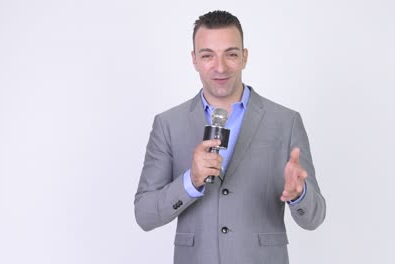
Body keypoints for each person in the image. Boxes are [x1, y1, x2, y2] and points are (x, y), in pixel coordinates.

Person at [134, 10, 326, 264]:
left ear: (244, 57)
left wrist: (300, 193)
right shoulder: (168, 124)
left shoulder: (285, 121)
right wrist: (190, 181)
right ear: (194, 60)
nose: (220, 67)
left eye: (231, 54)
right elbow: (145, 215)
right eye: (207, 55)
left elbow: (314, 218)